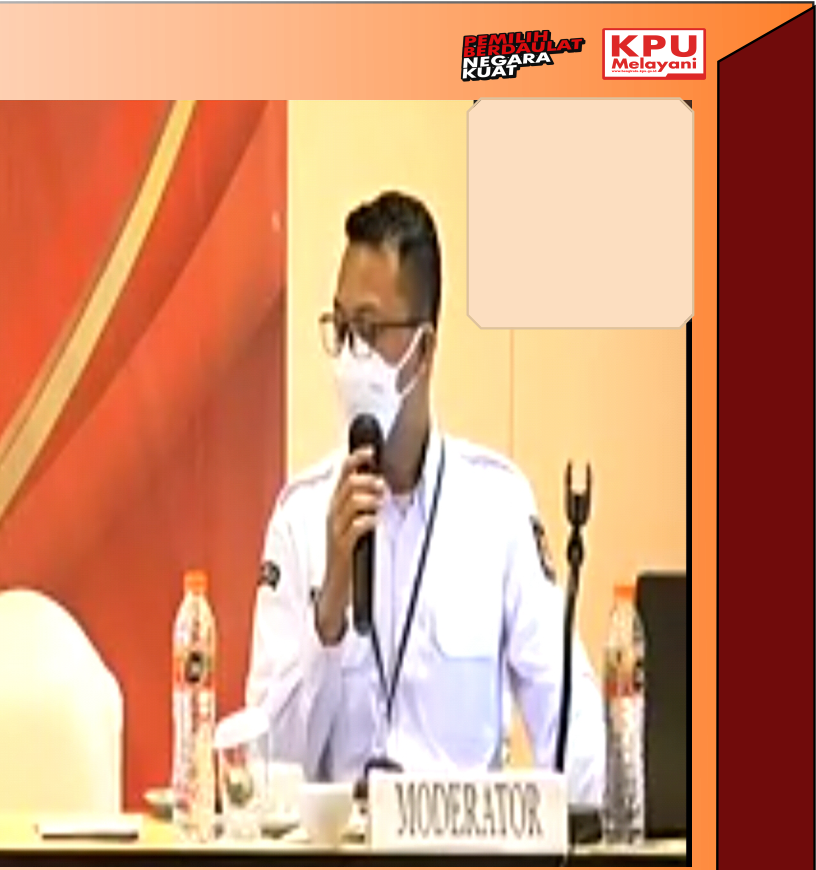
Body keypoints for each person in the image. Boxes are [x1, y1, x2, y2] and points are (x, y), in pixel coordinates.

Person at [246, 191, 605, 806]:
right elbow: (265, 772)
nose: (351, 355)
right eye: (341, 328)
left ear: (425, 348)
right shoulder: (301, 518)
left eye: (370, 329)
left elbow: (570, 723)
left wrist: (610, 813)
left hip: (461, 855)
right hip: (339, 858)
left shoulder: (495, 508)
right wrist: (329, 608)